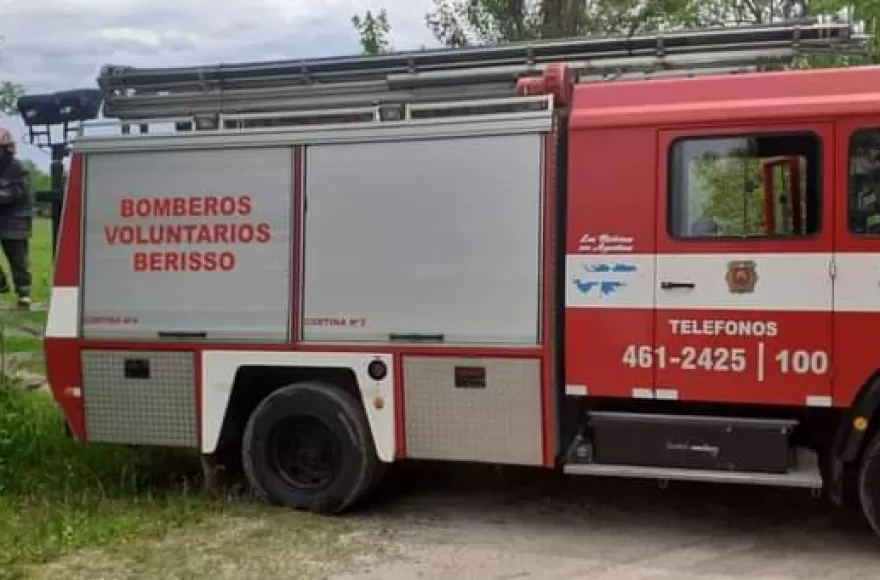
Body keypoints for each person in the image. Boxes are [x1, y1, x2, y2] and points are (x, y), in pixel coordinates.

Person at [0, 127, 33, 309]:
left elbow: (22, 193)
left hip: (15, 221)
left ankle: (24, 294)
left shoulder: (18, 168)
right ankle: (1, 283)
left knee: (18, 260)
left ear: (7, 149)